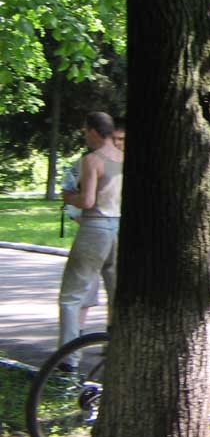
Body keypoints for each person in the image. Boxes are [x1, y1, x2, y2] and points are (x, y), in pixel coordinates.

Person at [57, 112, 123, 357]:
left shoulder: (92, 159)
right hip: (118, 227)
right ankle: (116, 349)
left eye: (85, 131)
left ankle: (68, 358)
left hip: (95, 227)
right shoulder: (124, 158)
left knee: (71, 296)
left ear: (94, 131)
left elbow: (87, 201)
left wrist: (69, 197)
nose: (85, 136)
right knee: (116, 293)